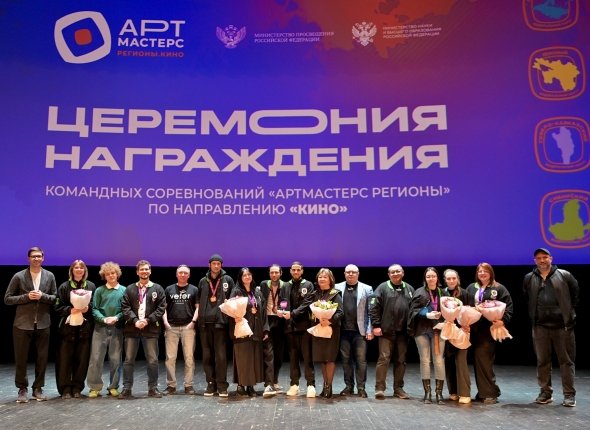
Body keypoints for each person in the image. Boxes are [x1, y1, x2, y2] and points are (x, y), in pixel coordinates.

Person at [523, 248, 579, 407]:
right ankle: (545, 392)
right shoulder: (529, 278)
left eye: (545, 257)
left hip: (563, 326)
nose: (542, 260)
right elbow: (527, 297)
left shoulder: (564, 275)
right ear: (535, 261)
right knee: (542, 361)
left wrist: (568, 314)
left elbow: (575, 295)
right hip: (540, 327)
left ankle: (569, 394)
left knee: (566, 361)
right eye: (539, 258)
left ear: (551, 258)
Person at [4, 247, 57, 403]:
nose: (36, 259)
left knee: (42, 358)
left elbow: (55, 298)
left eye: (39, 256)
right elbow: (7, 299)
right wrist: (26, 296)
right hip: (22, 324)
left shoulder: (49, 276)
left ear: (43, 258)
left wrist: (43, 296)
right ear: (28, 258)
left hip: (43, 323)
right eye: (33, 256)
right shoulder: (19, 276)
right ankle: (22, 389)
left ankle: (38, 388)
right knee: (21, 359)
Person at [466, 262, 513, 404]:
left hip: (488, 330)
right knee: (477, 361)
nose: (482, 273)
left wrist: (502, 321)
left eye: (485, 271)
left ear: (491, 273)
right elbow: (466, 305)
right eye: (480, 271)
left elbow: (508, 306)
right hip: (472, 329)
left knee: (484, 360)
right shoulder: (471, 287)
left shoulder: (498, 288)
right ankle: (483, 392)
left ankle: (490, 393)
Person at [119, 260, 167, 399]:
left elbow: (161, 308)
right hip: (132, 329)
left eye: (146, 269)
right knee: (128, 360)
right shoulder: (130, 289)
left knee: (152, 360)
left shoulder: (157, 288)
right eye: (142, 269)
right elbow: (125, 307)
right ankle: (127, 388)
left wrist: (147, 320)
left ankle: (153, 388)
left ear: (150, 271)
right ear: (137, 272)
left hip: (150, 329)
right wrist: (135, 321)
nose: (144, 271)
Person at [370, 264, 415, 400]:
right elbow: (374, 307)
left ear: (403, 273)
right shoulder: (382, 288)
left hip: (403, 332)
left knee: (401, 360)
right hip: (386, 331)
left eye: (397, 271)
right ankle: (379, 388)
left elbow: (414, 309)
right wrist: (376, 325)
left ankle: (398, 389)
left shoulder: (409, 289)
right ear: (388, 274)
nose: (395, 274)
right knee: (384, 359)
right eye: (392, 272)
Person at [54, 259, 96, 398]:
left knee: (82, 360)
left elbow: (95, 306)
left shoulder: (91, 286)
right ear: (71, 270)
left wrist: (88, 308)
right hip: (67, 329)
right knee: (64, 360)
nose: (79, 270)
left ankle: (77, 387)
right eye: (76, 267)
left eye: (81, 267)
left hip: (84, 329)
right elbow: (57, 307)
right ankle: (65, 388)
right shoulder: (64, 286)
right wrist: (69, 310)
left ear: (85, 270)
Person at [408, 267, 448, 404]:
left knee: (439, 360)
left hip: (439, 330)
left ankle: (439, 393)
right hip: (422, 331)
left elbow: (451, 310)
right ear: (425, 278)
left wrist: (445, 321)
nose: (431, 278)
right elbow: (412, 311)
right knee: (425, 360)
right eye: (428, 276)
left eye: (433, 276)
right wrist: (426, 314)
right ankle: (427, 393)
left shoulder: (443, 292)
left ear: (437, 278)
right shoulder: (419, 292)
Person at [197, 253, 234, 397]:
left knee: (221, 356)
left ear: (221, 265)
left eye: (219, 264)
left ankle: (222, 385)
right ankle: (211, 384)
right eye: (214, 263)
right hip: (205, 324)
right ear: (209, 265)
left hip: (221, 323)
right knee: (207, 355)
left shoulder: (227, 280)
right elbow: (199, 301)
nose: (216, 266)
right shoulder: (203, 281)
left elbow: (233, 299)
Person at [86, 261, 126, 398]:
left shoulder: (124, 290)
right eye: (108, 274)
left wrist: (116, 317)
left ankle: (113, 386)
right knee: (96, 358)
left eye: (113, 273)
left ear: (117, 274)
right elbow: (95, 308)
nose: (111, 275)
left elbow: (126, 309)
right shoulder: (99, 290)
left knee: (115, 359)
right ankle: (94, 387)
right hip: (100, 328)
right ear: (104, 276)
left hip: (117, 328)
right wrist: (104, 319)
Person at [335, 264, 373, 398]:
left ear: (358, 273)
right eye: (348, 272)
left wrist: (370, 329)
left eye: (353, 272)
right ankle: (349, 386)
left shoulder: (367, 288)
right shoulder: (336, 287)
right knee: (346, 360)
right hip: (343, 331)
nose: (350, 274)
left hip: (360, 332)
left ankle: (361, 388)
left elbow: (371, 311)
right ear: (344, 274)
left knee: (361, 361)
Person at [230, 267, 269, 397]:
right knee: (242, 358)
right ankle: (241, 385)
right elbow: (231, 309)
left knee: (253, 359)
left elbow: (263, 312)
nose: (247, 277)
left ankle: (250, 385)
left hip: (256, 329)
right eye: (244, 275)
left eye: (249, 274)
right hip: (242, 329)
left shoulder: (256, 292)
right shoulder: (236, 291)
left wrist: (265, 329)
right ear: (240, 278)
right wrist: (235, 317)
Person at [280, 261, 316, 398]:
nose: (295, 272)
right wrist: (281, 310)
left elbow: (307, 304)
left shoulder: (308, 285)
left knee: (307, 357)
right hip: (290, 327)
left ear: (302, 271)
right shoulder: (286, 285)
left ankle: (311, 385)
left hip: (305, 327)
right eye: (293, 270)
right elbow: (283, 302)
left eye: (298, 270)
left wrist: (292, 313)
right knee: (293, 357)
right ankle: (294, 384)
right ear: (290, 271)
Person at [306, 268, 343, 398]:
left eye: (325, 277)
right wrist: (316, 318)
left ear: (330, 280)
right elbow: (310, 311)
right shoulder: (315, 294)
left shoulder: (335, 294)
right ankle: (325, 385)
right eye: (320, 277)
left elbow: (340, 312)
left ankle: (329, 386)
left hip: (331, 330)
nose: (322, 279)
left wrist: (330, 321)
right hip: (319, 328)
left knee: (329, 358)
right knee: (322, 358)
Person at [162, 264, 199, 395]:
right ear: (176, 274)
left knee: (189, 358)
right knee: (170, 358)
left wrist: (193, 322)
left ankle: (188, 385)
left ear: (189, 275)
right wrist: (165, 322)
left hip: (188, 327)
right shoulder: (169, 289)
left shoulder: (194, 289)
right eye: (180, 272)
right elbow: (163, 308)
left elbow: (198, 307)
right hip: (171, 327)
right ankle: (171, 385)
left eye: (185, 273)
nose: (183, 275)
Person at [443, 269, 471, 404]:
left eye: (453, 278)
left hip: (461, 332)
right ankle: (453, 391)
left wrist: (467, 324)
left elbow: (471, 310)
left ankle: (464, 393)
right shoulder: (441, 294)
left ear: (458, 279)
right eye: (448, 279)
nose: (451, 281)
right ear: (445, 280)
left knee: (461, 362)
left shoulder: (465, 293)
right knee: (448, 362)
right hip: (446, 331)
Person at [259, 264, 287, 395]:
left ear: (281, 273)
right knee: (268, 353)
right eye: (272, 272)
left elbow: (287, 302)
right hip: (267, 321)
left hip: (281, 321)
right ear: (269, 273)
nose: (274, 275)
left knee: (279, 355)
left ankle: (274, 381)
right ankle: (269, 384)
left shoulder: (286, 286)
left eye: (276, 272)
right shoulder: (264, 284)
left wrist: (283, 311)